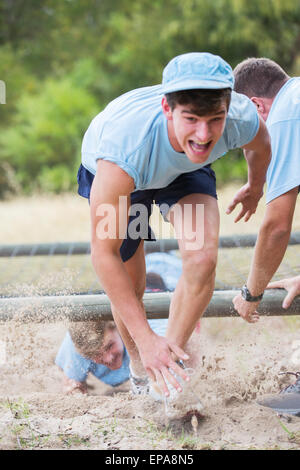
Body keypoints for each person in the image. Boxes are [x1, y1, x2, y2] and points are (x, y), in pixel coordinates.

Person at [80, 52, 271, 403]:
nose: (204, 133)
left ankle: (167, 377)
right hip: (130, 177)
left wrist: (254, 187)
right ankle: (141, 369)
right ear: (168, 109)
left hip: (184, 171)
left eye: (215, 119)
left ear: (228, 109)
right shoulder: (123, 151)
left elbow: (261, 146)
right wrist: (146, 341)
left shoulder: (240, 116)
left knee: (201, 260)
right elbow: (103, 255)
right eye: (192, 119)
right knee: (129, 278)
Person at [232, 58, 300, 399]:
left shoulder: (285, 116)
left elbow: (276, 226)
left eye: (245, 122)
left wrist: (251, 293)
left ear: (256, 105)